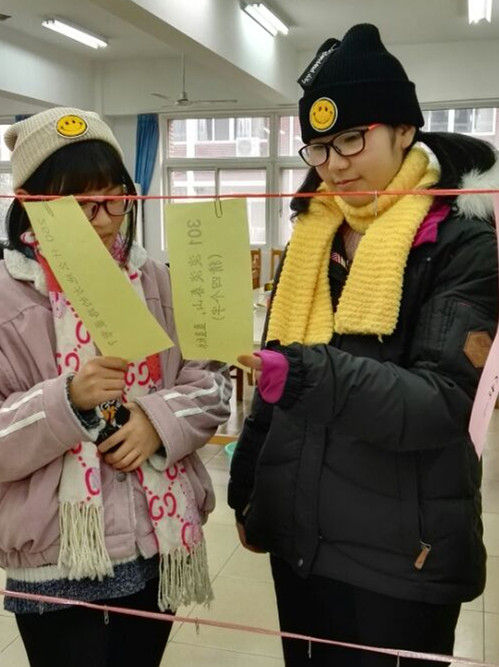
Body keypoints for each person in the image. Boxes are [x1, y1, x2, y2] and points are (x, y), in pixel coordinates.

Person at [228, 23, 499, 667]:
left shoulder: (461, 242)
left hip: (401, 560)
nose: (335, 164)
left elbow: (445, 401)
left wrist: (303, 374)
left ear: (404, 129)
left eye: (352, 138)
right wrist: (248, 490)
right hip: (301, 545)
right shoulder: (313, 237)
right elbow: (275, 382)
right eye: (319, 148)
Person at [0, 107, 231, 667]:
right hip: (56, 560)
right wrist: (66, 400)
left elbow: (212, 382)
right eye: (82, 206)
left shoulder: (156, 279)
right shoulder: (9, 296)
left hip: (156, 546)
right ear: (30, 202)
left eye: (115, 200)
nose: (104, 221)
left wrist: (157, 421)